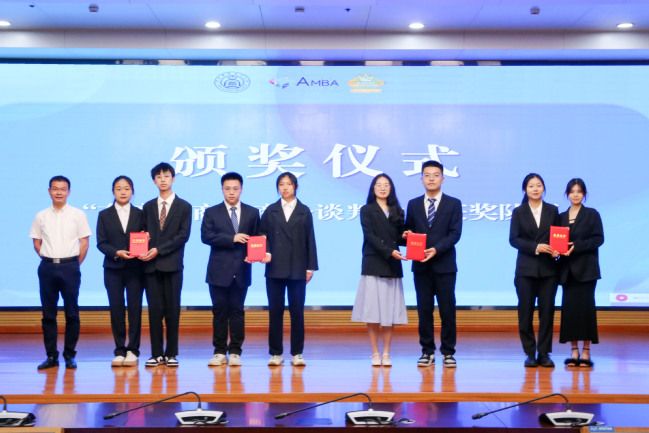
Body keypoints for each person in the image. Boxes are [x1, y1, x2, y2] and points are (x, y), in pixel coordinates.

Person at [404, 160, 462, 368]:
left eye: (435, 175)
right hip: (421, 266)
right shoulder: (413, 204)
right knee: (424, 311)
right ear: (421, 179)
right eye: (427, 175)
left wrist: (436, 249)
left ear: (443, 178)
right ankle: (427, 351)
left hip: (445, 266)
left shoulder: (453, 203)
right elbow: (408, 232)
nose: (431, 179)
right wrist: (405, 235)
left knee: (447, 311)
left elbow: (455, 234)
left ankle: (448, 352)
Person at [30, 175, 91, 370]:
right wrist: (49, 258)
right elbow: (36, 242)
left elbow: (84, 242)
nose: (59, 192)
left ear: (68, 192)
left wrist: (73, 264)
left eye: (62, 189)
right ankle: (51, 356)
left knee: (72, 313)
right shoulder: (41, 216)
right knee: (48, 314)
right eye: (55, 188)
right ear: (49, 191)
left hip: (70, 267)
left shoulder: (78, 215)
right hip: (47, 267)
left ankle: (69, 355)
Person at [201, 172, 260, 367]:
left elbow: (257, 238)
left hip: (242, 270)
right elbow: (206, 237)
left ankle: (235, 351)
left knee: (237, 311)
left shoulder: (252, 212)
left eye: (235, 188)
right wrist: (231, 238)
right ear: (222, 189)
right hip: (218, 271)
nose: (231, 192)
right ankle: (219, 351)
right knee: (219, 312)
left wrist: (256, 254)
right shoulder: (212, 212)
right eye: (227, 189)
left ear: (241, 189)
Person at [259, 172, 318, 367]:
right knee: (275, 311)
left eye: (289, 184)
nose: (285, 188)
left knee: (297, 311)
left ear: (295, 187)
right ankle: (275, 353)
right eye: (281, 184)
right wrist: (265, 252)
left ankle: (297, 353)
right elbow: (262, 236)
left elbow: (310, 239)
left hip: (298, 268)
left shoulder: (304, 211)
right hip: (275, 267)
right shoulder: (270, 210)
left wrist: (310, 267)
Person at [352, 174, 408, 367]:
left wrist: (406, 236)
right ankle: (375, 352)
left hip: (392, 265)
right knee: (373, 312)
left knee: (389, 313)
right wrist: (389, 251)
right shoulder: (366, 210)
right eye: (379, 185)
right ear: (373, 188)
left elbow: (399, 238)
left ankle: (386, 353)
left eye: (386, 185)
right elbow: (370, 236)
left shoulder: (398, 210)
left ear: (391, 188)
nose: (383, 188)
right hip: (374, 263)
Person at [140, 162, 192, 368]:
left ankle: (171, 353)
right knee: (154, 311)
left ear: (173, 178)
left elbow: (183, 236)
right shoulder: (147, 207)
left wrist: (159, 249)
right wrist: (143, 240)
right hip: (151, 267)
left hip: (172, 266)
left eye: (166, 176)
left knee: (172, 310)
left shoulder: (184, 206)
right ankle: (156, 353)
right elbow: (142, 233)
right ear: (154, 181)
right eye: (159, 177)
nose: (163, 180)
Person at [509, 173, 559, 368]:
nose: (535, 189)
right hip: (525, 270)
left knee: (547, 313)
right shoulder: (518, 212)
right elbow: (514, 239)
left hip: (548, 270)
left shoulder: (553, 210)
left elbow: (559, 236)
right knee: (525, 312)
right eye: (531, 186)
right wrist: (536, 247)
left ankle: (544, 353)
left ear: (543, 188)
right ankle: (530, 353)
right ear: (525, 189)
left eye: (539, 185)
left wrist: (558, 249)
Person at [96, 175, 145, 367]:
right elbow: (101, 243)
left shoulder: (141, 214)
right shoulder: (104, 215)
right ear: (113, 191)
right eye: (118, 188)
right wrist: (116, 252)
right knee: (116, 309)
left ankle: (133, 349)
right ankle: (119, 349)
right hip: (113, 269)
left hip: (135, 268)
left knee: (135, 309)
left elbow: (145, 237)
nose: (123, 192)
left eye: (126, 188)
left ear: (132, 191)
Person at [558, 178, 604, 368]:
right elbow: (557, 241)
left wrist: (577, 246)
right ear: (567, 194)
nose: (575, 195)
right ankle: (573, 350)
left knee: (586, 311)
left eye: (579, 191)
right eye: (572, 191)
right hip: (567, 271)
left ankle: (586, 351)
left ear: (584, 194)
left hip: (586, 271)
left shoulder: (592, 214)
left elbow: (598, 239)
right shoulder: (560, 217)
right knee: (570, 312)